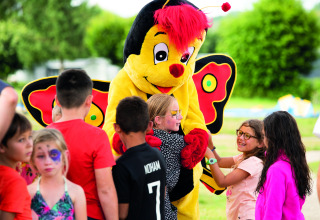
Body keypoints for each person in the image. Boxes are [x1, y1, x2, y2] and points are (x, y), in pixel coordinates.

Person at [47, 69, 118, 220]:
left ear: (57, 101)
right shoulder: (97, 136)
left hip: (52, 214)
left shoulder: (43, 136)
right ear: (89, 101)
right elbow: (105, 189)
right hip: (89, 214)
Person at [112, 96, 167, 220]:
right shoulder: (158, 155)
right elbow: (162, 194)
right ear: (149, 125)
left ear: (116, 127)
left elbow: (122, 214)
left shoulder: (122, 166)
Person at [255, 111, 312, 219]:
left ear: (273, 137)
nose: (263, 140)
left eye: (264, 135)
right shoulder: (295, 162)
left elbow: (272, 212)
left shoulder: (277, 170)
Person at [204, 119, 265, 220]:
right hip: (239, 214)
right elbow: (219, 162)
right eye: (240, 133)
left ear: (260, 143)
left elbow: (222, 181)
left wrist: (210, 158)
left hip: (247, 215)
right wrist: (210, 145)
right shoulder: (243, 157)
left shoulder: (253, 162)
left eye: (247, 136)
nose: (241, 138)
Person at [28, 129, 86, 219]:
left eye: (54, 155)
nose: (48, 162)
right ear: (32, 160)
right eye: (41, 156)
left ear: (64, 156)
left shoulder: (76, 192)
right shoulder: (28, 192)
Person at [146, 94, 185, 220]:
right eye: (175, 114)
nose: (181, 117)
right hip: (161, 204)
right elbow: (200, 147)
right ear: (158, 119)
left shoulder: (142, 138)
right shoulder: (176, 142)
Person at [0, 112, 33, 219]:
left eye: (30, 137)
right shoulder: (15, 181)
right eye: (21, 139)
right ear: (1, 146)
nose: (29, 144)